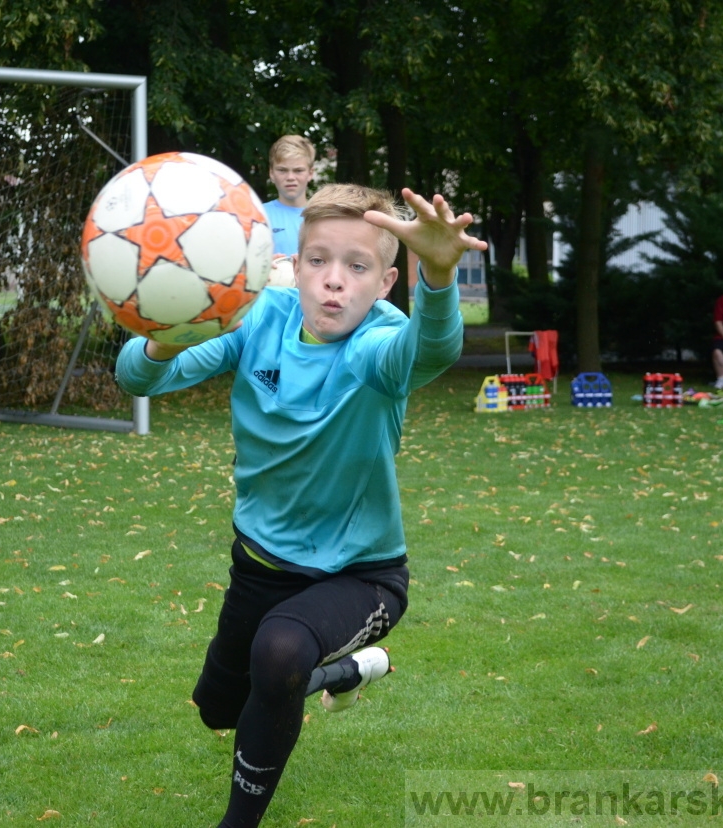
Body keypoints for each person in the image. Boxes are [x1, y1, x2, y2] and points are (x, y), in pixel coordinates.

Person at [115, 183, 485, 828]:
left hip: (360, 575)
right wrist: (170, 332)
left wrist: (439, 273)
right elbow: (139, 375)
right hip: (259, 565)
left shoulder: (377, 345)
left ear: (386, 283)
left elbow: (431, 351)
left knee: (280, 654)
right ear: (295, 262)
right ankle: (341, 674)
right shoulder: (261, 318)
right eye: (318, 260)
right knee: (220, 711)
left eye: (357, 266)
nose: (333, 280)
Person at [262, 135, 315, 257]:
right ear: (271, 173)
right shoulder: (258, 215)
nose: (290, 177)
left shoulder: (322, 216)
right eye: (282, 170)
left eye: (298, 170)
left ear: (310, 173)